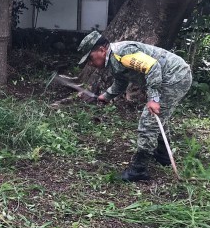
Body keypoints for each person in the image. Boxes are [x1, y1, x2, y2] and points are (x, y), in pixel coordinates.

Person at [77, 31, 192, 181]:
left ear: (101, 50)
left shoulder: (121, 54)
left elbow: (152, 67)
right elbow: (121, 81)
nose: (91, 64)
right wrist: (107, 96)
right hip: (170, 77)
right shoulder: (113, 59)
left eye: (90, 58)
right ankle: (164, 157)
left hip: (175, 76)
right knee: (158, 117)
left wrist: (154, 99)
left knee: (149, 121)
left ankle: (139, 170)